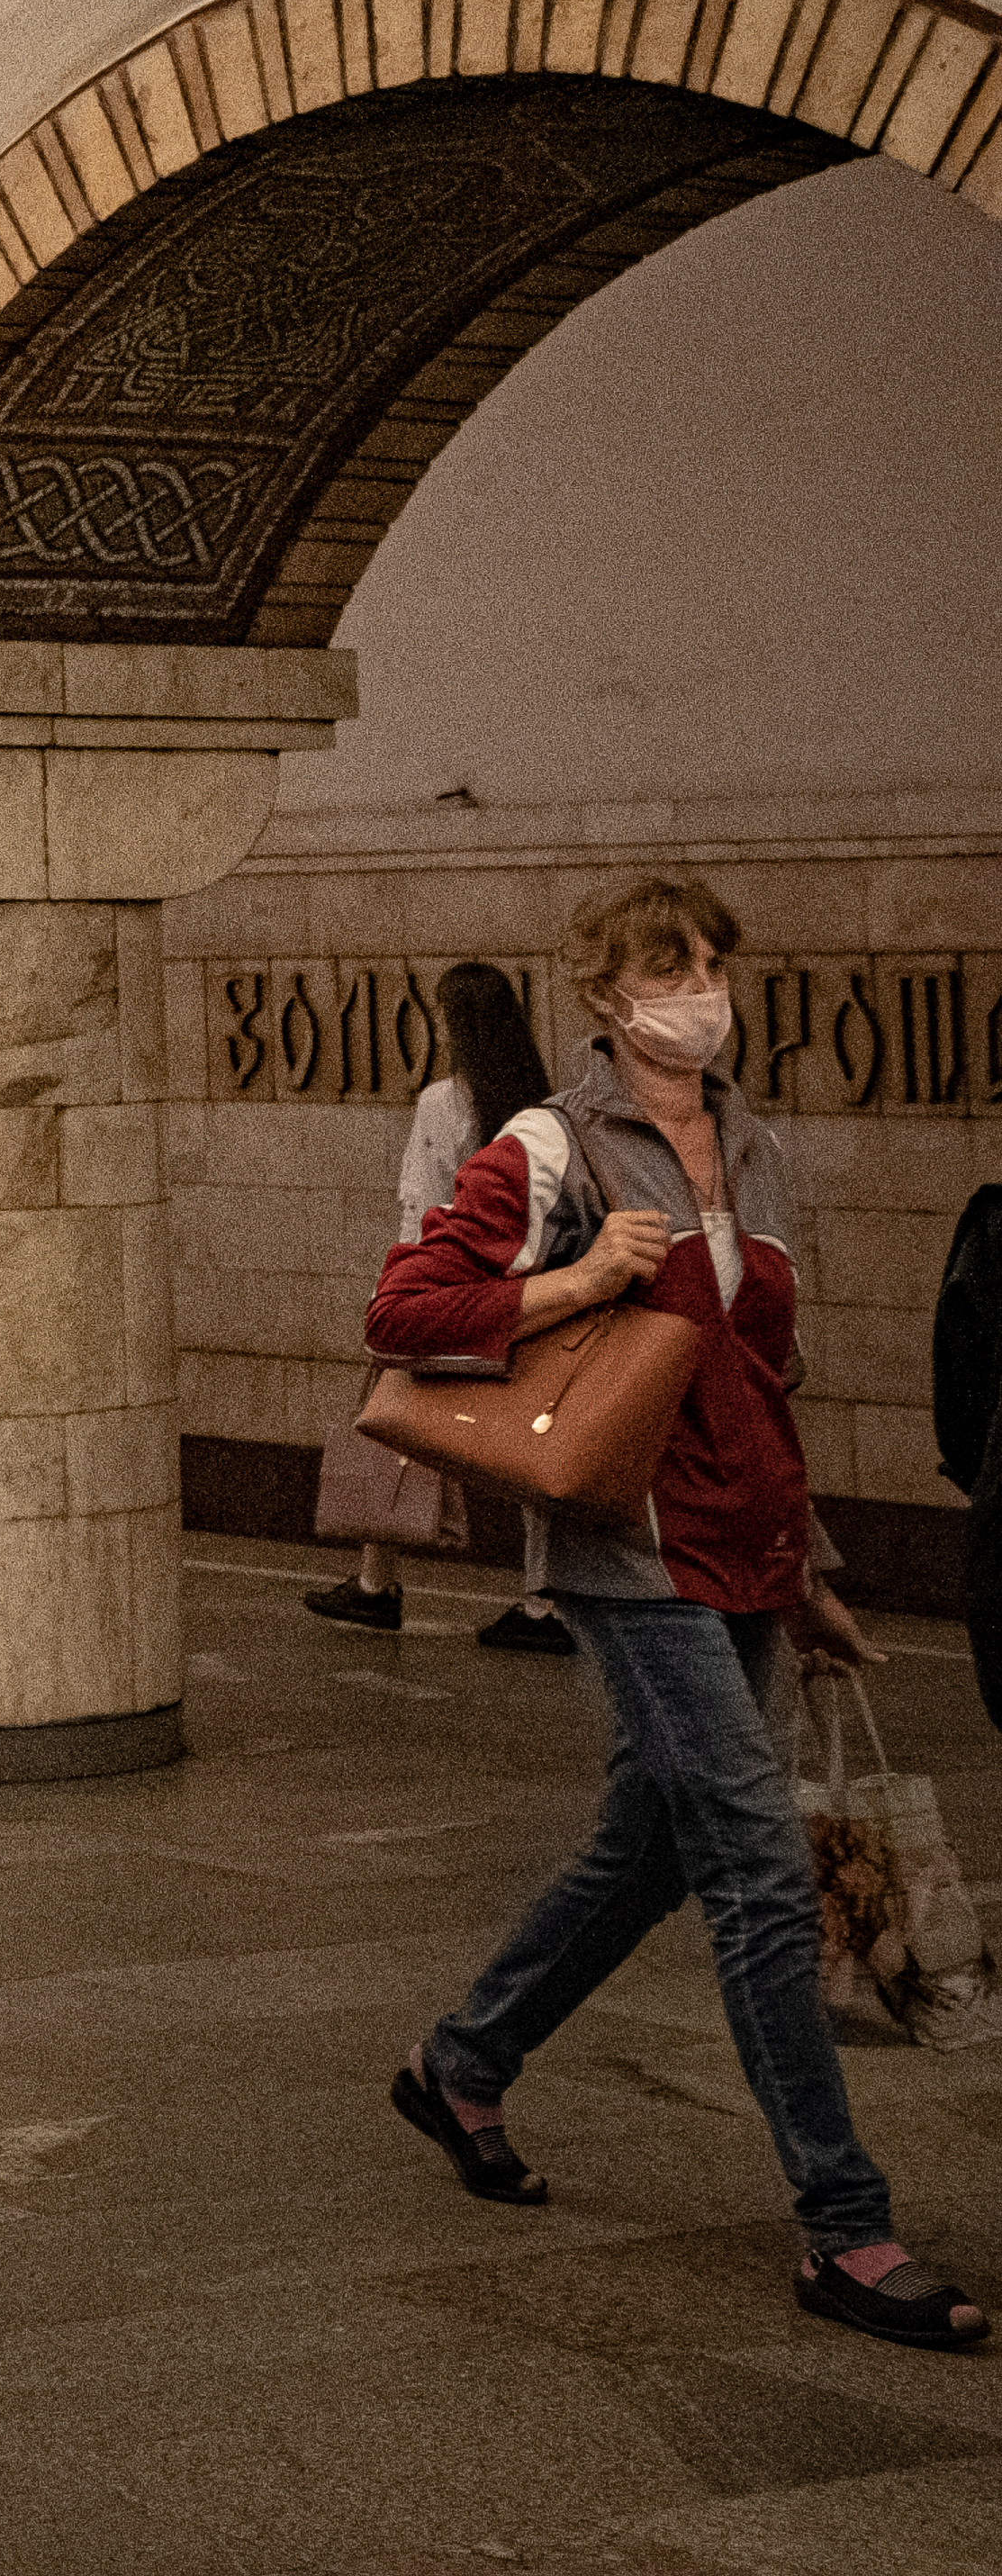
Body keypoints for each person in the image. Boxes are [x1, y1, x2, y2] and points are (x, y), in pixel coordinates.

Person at [373, 876, 983, 2355]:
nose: (701, 985)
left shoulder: (758, 1150)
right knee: (762, 1872)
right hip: (629, 1546)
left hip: (747, 1543)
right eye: (669, 964)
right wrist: (577, 1275)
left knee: (652, 1851)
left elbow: (762, 1383)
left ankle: (463, 2063)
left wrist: (809, 1565)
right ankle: (845, 2227)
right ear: (602, 996)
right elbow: (406, 1308)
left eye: (715, 959)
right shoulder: (554, 1145)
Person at [310, 957, 572, 1654]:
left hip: (446, 1298)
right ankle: (542, 1602)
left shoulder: (440, 1104)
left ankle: (376, 1585)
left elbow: (421, 1212)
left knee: (394, 1422)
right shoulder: (546, 1110)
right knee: (528, 1447)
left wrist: (389, 1298)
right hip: (525, 1296)